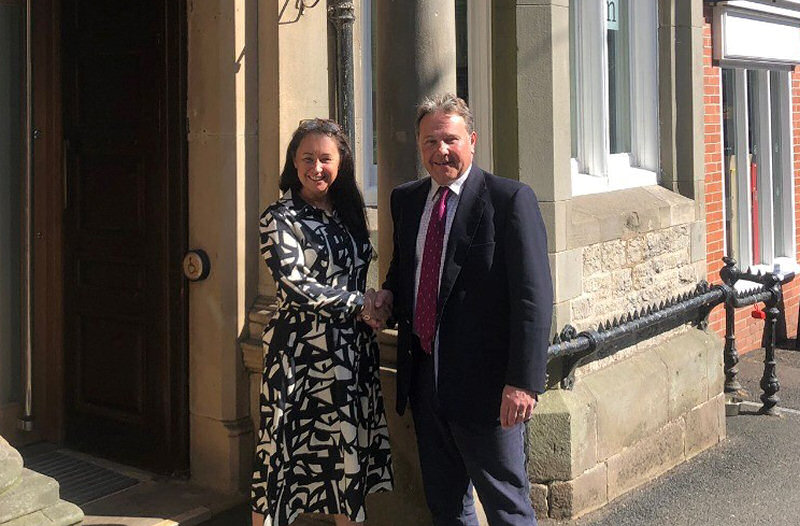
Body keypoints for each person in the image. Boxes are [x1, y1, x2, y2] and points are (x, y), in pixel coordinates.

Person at [371, 94, 553, 526]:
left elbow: (533, 298)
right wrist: (387, 298)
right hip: (425, 384)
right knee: (447, 507)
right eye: (430, 141)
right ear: (420, 145)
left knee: (507, 507)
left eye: (450, 139)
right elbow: (405, 271)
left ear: (472, 140)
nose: (441, 151)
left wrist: (522, 382)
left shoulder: (509, 200)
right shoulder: (406, 200)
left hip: (488, 391)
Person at [251, 118, 393, 526]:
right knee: (280, 461)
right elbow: (296, 286)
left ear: (341, 162)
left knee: (347, 463)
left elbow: (357, 275)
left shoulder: (348, 214)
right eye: (307, 158)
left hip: (349, 355)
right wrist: (361, 303)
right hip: (298, 357)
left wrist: (378, 300)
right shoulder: (278, 217)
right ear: (294, 164)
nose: (317, 167)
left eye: (326, 159)